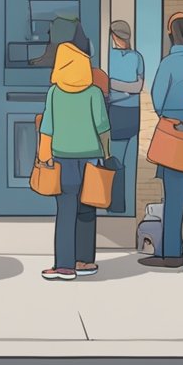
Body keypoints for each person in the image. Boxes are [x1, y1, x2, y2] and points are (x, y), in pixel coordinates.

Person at [37, 41, 109, 280]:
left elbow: (47, 127)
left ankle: (64, 266)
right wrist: (105, 154)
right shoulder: (94, 93)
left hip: (62, 158)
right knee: (87, 209)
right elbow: (102, 127)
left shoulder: (54, 93)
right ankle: (85, 261)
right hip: (91, 157)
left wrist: (44, 155)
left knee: (66, 211)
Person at [140, 12, 183, 268]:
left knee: (173, 198)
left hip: (173, 136)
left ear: (170, 35)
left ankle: (171, 253)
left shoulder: (168, 63)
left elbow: (157, 100)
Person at [106, 20, 144, 215]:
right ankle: (124, 208)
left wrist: (114, 85)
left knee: (116, 162)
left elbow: (135, 87)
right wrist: (127, 90)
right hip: (131, 111)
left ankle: (117, 207)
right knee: (127, 164)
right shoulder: (137, 57)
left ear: (113, 35)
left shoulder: (109, 57)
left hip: (117, 112)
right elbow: (136, 87)